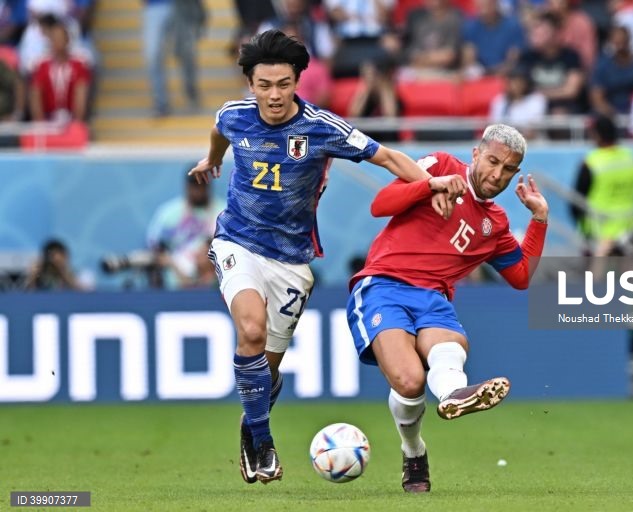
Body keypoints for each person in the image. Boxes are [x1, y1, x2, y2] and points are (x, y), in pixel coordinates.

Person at [189, 29, 457, 485]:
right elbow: (219, 131)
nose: (274, 96)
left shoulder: (321, 127)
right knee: (249, 329)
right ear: (250, 84)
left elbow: (387, 157)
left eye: (284, 84)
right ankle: (261, 439)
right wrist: (209, 159)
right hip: (236, 240)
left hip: (292, 261)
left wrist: (428, 184)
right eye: (264, 85)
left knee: (266, 372)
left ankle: (252, 420)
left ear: (297, 82)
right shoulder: (234, 116)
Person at [345, 124, 548, 493]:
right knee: (409, 381)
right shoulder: (438, 165)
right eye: (492, 162)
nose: (497, 175)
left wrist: (539, 219)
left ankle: (455, 393)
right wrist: (431, 185)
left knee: (448, 349)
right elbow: (380, 206)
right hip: (383, 286)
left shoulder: (496, 224)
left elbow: (521, 276)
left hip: (434, 299)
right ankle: (414, 451)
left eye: (507, 170)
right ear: (476, 154)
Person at [570, 115, 633, 258]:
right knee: (632, 275)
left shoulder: (591, 161)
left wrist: (581, 225)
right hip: (629, 224)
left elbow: (577, 199)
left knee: (596, 275)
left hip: (599, 228)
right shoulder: (631, 157)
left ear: (596, 134)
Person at [146, 169, 225, 289]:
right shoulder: (168, 214)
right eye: (194, 184)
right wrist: (170, 264)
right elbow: (154, 245)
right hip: (173, 286)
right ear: (186, 186)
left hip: (214, 286)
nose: (198, 189)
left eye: (202, 184)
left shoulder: (224, 212)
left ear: (209, 186)